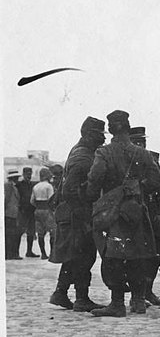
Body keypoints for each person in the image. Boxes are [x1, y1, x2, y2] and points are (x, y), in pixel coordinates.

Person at [86, 110, 160, 317]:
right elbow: (157, 182)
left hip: (114, 213)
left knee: (114, 256)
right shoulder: (142, 153)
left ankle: (117, 303)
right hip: (137, 211)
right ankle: (138, 301)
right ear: (128, 127)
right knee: (138, 255)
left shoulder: (104, 153)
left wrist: (98, 196)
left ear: (111, 129)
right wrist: (137, 188)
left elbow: (95, 179)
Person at [49, 116, 107, 311]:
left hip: (72, 213)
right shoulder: (83, 157)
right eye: (99, 136)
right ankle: (81, 299)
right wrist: (84, 217)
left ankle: (60, 292)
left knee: (74, 255)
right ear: (88, 135)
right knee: (85, 255)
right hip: (77, 214)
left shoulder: (80, 151)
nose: (103, 140)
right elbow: (70, 190)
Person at [130, 126, 160, 307]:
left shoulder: (151, 160)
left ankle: (148, 290)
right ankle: (136, 295)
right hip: (133, 216)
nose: (141, 145)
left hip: (152, 215)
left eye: (143, 142)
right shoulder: (126, 161)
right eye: (136, 142)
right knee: (135, 257)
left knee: (157, 254)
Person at [30, 167, 56, 259]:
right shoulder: (49, 186)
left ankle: (43, 254)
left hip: (38, 210)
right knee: (53, 232)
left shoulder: (36, 186)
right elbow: (51, 199)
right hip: (47, 210)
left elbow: (32, 201)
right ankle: (52, 254)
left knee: (40, 233)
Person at [16, 167, 37, 257]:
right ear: (23, 174)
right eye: (27, 174)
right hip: (23, 211)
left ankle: (29, 251)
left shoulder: (33, 185)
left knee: (31, 232)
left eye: (30, 173)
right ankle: (16, 252)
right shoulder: (19, 185)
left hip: (32, 210)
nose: (29, 175)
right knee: (19, 231)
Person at [5, 169, 22, 260]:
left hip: (13, 214)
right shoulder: (8, 186)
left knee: (12, 234)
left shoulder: (13, 186)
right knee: (10, 234)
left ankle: (10, 253)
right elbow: (6, 200)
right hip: (9, 214)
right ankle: (9, 254)